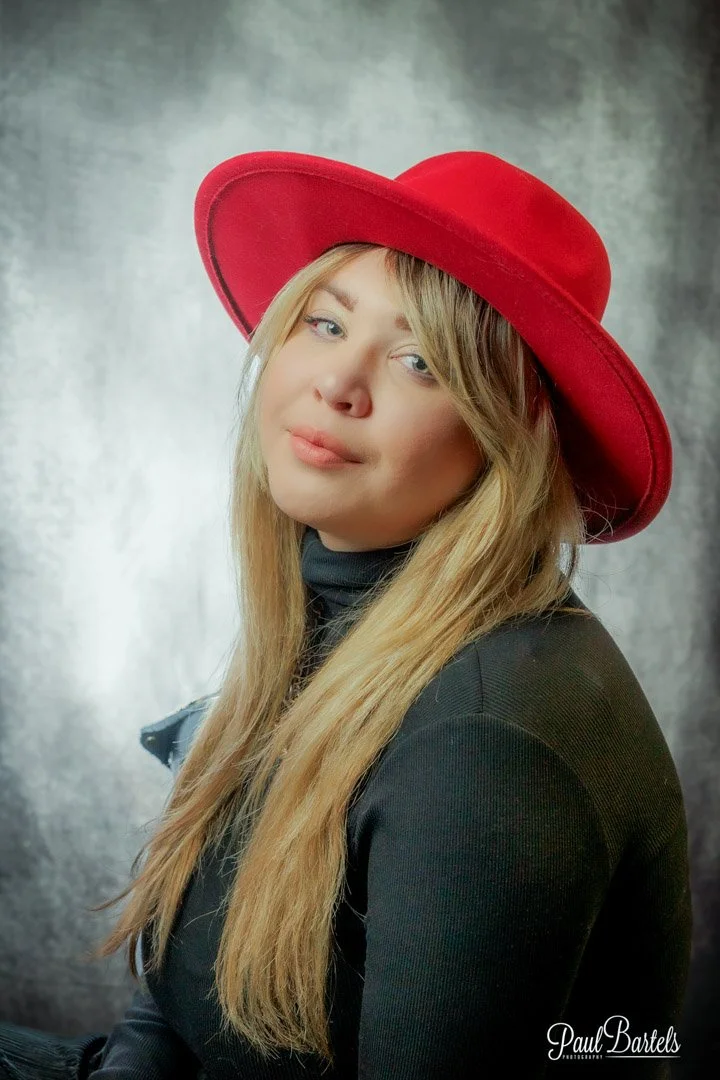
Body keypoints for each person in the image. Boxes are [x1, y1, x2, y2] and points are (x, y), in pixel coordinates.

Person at [0, 149, 692, 1079]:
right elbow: (181, 988)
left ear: (509, 438)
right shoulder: (347, 610)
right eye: (326, 323)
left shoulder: (491, 741)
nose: (339, 382)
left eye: (420, 361)